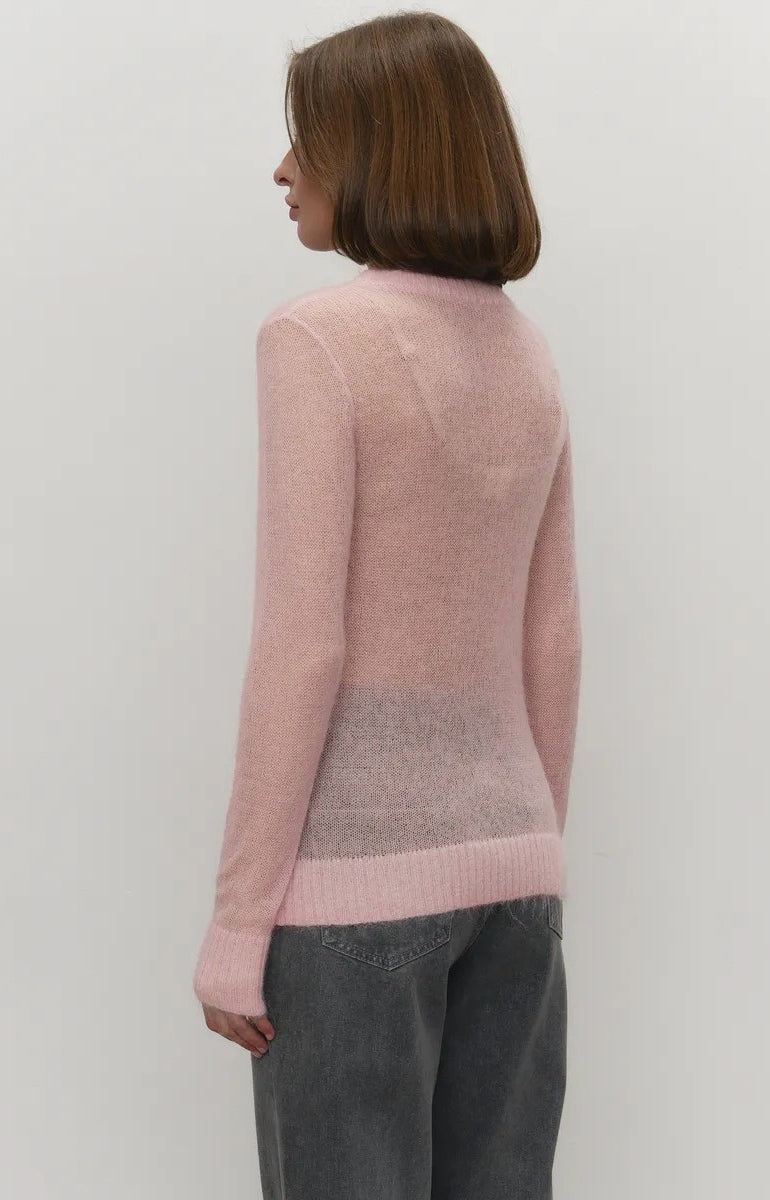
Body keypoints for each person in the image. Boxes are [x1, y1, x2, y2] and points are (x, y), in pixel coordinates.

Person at [192, 11, 582, 1199]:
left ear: (376, 149)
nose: (282, 169)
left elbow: (303, 646)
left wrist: (238, 924)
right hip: (515, 879)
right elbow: (551, 640)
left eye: (305, 139)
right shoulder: (525, 353)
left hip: (353, 891)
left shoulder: (318, 338)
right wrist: (534, 855)